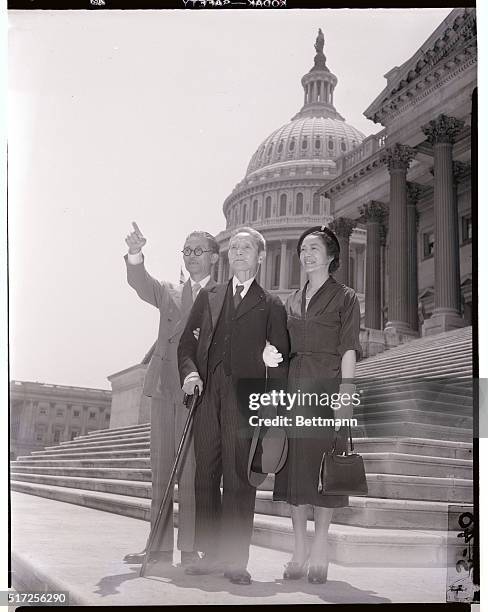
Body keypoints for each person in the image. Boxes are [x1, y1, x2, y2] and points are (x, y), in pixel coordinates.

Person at [177, 226, 289, 585]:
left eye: (247, 247)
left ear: (260, 256)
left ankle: (236, 560)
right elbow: (185, 348)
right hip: (207, 396)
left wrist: (272, 408)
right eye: (235, 247)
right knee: (205, 475)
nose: (239, 252)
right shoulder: (209, 296)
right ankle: (211, 554)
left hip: (246, 400)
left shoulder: (271, 304)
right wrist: (190, 374)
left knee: (240, 478)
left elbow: (282, 361)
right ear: (228, 255)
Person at [263, 225, 361, 584]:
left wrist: (346, 394)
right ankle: (299, 550)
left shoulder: (346, 297)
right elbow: (283, 348)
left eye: (314, 248)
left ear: (332, 255)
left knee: (323, 475)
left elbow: (349, 347)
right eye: (303, 248)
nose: (307, 254)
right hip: (293, 391)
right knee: (294, 476)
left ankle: (320, 547)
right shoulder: (290, 299)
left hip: (327, 388)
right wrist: (271, 354)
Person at [124, 222, 219, 567]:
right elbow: (140, 283)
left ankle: (190, 548)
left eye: (198, 251)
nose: (191, 257)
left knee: (191, 474)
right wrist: (136, 254)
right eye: (186, 251)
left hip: (198, 396)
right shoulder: (169, 291)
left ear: (213, 257)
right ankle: (158, 547)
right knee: (161, 471)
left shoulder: (223, 296)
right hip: (165, 389)